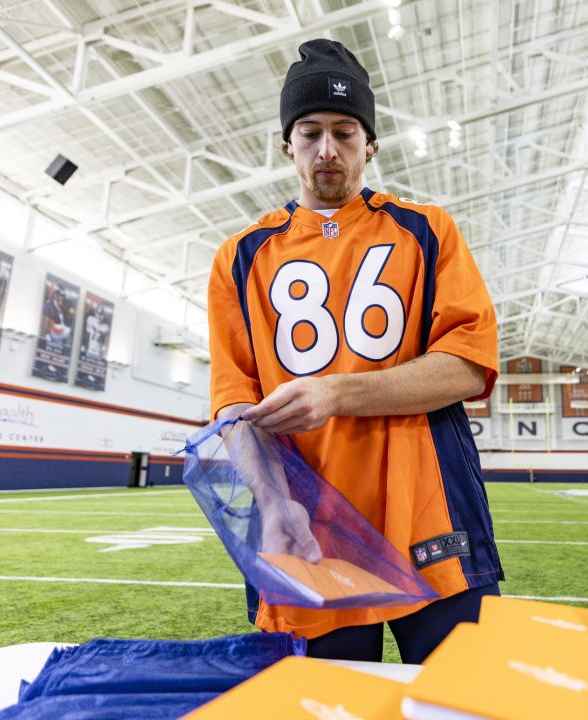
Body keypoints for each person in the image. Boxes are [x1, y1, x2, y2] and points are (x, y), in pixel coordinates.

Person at [206, 38, 501, 664]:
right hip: (308, 531)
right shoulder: (239, 258)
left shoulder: (426, 230)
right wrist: (271, 502)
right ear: (287, 144)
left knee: (465, 701)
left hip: (429, 516)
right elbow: (234, 405)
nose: (327, 149)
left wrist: (336, 392)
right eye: (309, 131)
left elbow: (469, 362)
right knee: (323, 707)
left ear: (370, 143)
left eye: (345, 131)